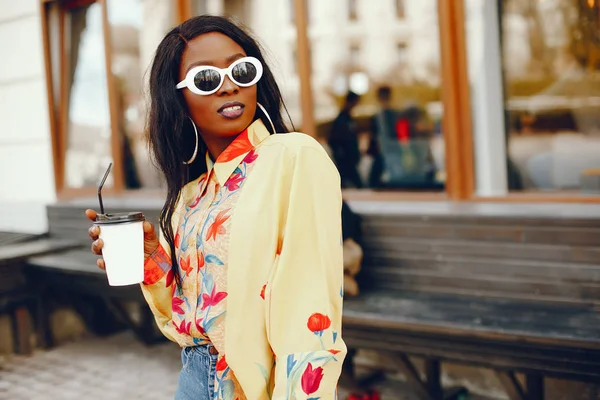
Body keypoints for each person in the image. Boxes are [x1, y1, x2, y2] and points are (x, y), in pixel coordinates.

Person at [86, 15, 346, 400]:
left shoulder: (293, 158)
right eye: (205, 79)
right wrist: (152, 262)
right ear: (179, 100)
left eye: (241, 71)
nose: (229, 87)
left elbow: (308, 312)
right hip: (193, 380)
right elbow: (185, 318)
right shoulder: (191, 196)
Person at [328, 91, 363, 188]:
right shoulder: (342, 120)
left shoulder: (348, 119)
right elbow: (333, 140)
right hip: (345, 160)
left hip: (348, 159)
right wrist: (341, 155)